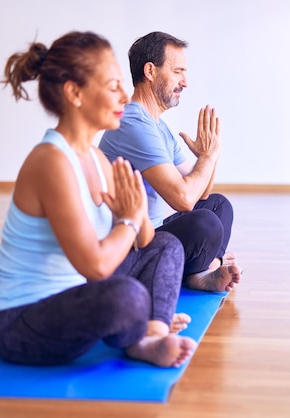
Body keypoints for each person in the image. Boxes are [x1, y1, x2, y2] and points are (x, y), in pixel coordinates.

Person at [0, 31, 196, 368]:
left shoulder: (97, 159)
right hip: (21, 322)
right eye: (112, 86)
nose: (124, 96)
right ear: (75, 93)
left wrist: (137, 211)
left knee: (166, 245)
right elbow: (96, 265)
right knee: (128, 297)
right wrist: (128, 219)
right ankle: (139, 326)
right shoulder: (51, 161)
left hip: (76, 294)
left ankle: (150, 336)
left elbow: (144, 239)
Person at [99, 31, 242, 293]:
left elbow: (202, 193)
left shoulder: (157, 127)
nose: (185, 82)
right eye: (178, 71)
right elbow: (184, 200)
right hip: (131, 246)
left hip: (152, 233)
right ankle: (202, 270)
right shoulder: (133, 123)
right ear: (151, 71)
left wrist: (210, 154)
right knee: (205, 223)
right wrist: (207, 158)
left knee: (219, 205)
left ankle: (203, 269)